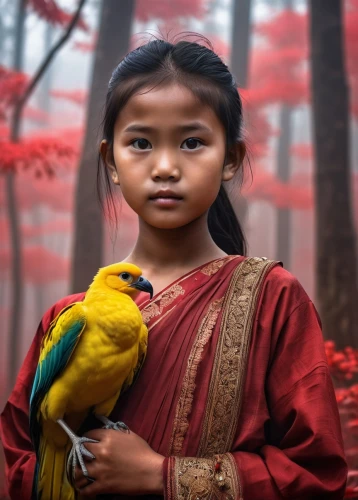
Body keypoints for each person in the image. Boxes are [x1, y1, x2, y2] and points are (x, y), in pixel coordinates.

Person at [0, 38, 347, 500]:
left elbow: (316, 475)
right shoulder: (69, 317)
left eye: (192, 142)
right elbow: (24, 457)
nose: (165, 167)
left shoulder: (274, 300)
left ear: (230, 159)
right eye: (141, 142)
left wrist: (159, 475)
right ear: (112, 161)